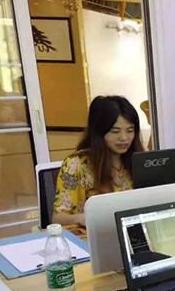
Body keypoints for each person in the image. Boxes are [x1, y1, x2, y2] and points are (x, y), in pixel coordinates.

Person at [52, 96, 144, 227]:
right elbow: (58, 218)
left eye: (130, 131)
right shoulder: (76, 165)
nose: (124, 138)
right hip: (95, 233)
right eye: (115, 131)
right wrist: (81, 218)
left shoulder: (140, 160)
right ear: (99, 133)